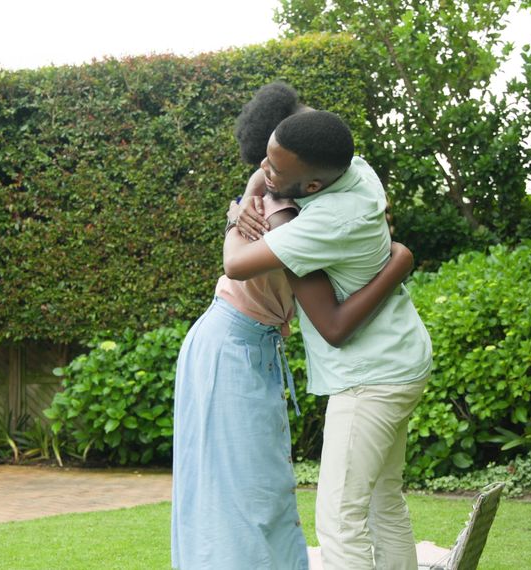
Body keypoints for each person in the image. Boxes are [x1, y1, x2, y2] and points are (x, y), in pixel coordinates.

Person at [171, 84, 416, 570]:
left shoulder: (326, 192)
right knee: (236, 495)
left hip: (254, 347)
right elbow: (238, 266)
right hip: (229, 344)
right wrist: (240, 207)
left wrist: (247, 196)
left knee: (265, 490)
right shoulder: (288, 215)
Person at [225, 110, 433, 570]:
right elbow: (272, 173)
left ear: (313, 187)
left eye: (275, 169)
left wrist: (233, 217)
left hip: (369, 378)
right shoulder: (355, 169)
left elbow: (236, 266)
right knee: (384, 499)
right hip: (400, 359)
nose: (263, 169)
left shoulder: (323, 225)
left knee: (340, 521)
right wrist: (257, 189)